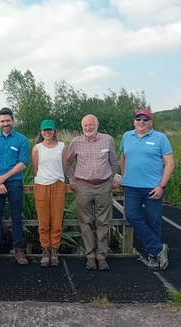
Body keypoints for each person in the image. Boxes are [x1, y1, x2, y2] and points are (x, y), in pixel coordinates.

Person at [120, 109, 174, 271]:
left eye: (145, 119)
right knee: (131, 215)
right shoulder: (126, 136)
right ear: (134, 121)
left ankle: (153, 256)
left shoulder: (160, 138)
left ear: (151, 122)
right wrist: (124, 177)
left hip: (153, 188)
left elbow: (169, 164)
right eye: (138, 118)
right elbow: (122, 157)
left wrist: (161, 186)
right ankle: (158, 249)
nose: (141, 122)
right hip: (131, 186)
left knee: (153, 220)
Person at [65, 115, 118, 271]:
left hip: (103, 186)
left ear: (97, 125)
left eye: (91, 125)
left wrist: (110, 180)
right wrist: (72, 179)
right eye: (85, 125)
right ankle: (90, 256)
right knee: (86, 222)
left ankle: (101, 256)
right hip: (83, 186)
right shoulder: (76, 142)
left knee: (103, 222)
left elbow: (113, 161)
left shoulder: (107, 140)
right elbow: (67, 163)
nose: (88, 128)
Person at [0, 107, 29, 266]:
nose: (5, 123)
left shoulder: (21, 140)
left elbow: (23, 163)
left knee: (16, 216)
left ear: (13, 121)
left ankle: (19, 250)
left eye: (8, 120)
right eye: (2, 121)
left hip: (14, 182)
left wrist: (4, 178)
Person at [32, 120, 67, 267]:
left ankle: (55, 249)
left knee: (57, 220)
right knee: (44, 221)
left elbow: (63, 167)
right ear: (41, 132)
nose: (47, 132)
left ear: (54, 131)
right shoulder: (36, 148)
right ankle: (45, 249)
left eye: (50, 130)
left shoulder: (62, 147)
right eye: (44, 130)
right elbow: (35, 169)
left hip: (58, 185)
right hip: (41, 185)